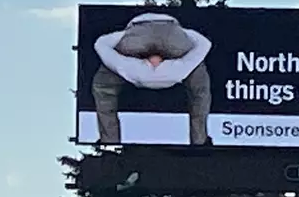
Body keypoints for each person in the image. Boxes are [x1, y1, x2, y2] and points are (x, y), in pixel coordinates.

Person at [91, 12, 213, 145]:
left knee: (104, 87)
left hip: (164, 32)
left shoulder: (178, 71)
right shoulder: (130, 69)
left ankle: (110, 141)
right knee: (104, 85)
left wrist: (182, 34)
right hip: (155, 33)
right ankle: (199, 140)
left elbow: (204, 44)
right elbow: (101, 44)